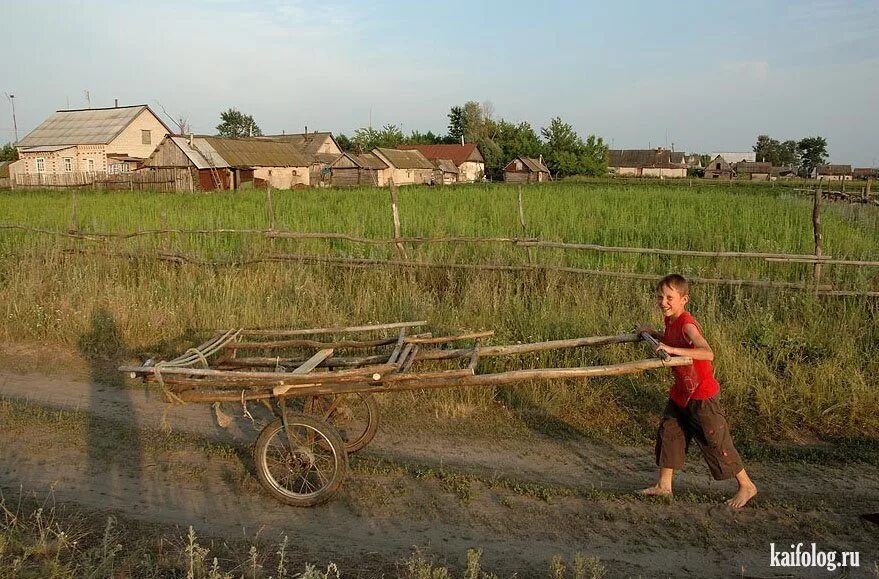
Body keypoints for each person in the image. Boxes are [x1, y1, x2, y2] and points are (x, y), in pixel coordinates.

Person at [637, 274, 757, 509]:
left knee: (715, 439)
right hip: (682, 392)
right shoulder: (670, 320)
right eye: (660, 297)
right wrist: (651, 333)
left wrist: (670, 349)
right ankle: (664, 486)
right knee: (669, 432)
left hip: (702, 394)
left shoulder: (687, 323)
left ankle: (746, 485)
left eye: (669, 298)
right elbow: (671, 339)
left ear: (684, 299)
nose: (663, 302)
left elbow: (707, 352)